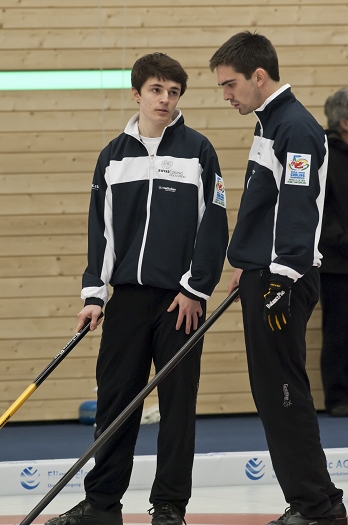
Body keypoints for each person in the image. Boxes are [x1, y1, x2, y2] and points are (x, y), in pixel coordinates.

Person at [45, 53, 228, 525]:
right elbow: (100, 233)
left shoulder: (199, 151)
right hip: (125, 300)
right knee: (115, 404)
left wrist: (195, 289)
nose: (165, 100)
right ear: (137, 92)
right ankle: (102, 505)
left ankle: (169, 507)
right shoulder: (112, 156)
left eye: (173, 92)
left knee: (177, 408)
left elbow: (214, 228)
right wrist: (93, 295)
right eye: (156, 90)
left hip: (179, 302)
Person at [209, 32, 347, 525]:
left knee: (281, 394)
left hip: (282, 278)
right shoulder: (272, 123)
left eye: (230, 85)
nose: (226, 95)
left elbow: (296, 207)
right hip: (264, 272)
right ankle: (323, 499)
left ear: (259, 76)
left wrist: (279, 278)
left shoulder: (296, 128)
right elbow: (267, 211)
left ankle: (314, 508)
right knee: (276, 393)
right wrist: (250, 264)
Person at [319, 88, 348, 417]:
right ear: (344, 122)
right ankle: (338, 398)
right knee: (339, 332)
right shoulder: (323, 153)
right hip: (338, 263)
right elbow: (320, 210)